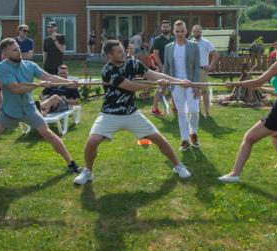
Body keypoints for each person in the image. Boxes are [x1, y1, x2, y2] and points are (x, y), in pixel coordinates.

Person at [74, 39, 193, 185]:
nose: (123, 53)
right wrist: (155, 84)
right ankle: (88, 172)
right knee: (92, 141)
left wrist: (179, 82)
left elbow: (153, 75)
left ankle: (178, 166)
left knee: (158, 138)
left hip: (131, 113)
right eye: (119, 52)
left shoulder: (133, 63)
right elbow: (131, 86)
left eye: (123, 50)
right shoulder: (107, 70)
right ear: (110, 55)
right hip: (109, 113)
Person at [0, 40, 81, 180]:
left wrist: (69, 83)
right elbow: (15, 88)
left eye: (18, 48)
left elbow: (49, 76)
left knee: (48, 134)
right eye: (14, 50)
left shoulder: (30, 65)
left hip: (29, 109)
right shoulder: (1, 67)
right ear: (5, 53)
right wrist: (38, 85)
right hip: (8, 111)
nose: (19, 51)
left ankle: (71, 163)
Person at [219, 38, 277, 183]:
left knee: (248, 138)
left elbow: (258, 81)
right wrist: (263, 89)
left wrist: (234, 83)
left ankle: (235, 174)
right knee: (275, 134)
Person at [164, 20, 202, 151]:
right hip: (176, 85)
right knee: (181, 113)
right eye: (177, 31)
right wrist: (164, 84)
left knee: (194, 110)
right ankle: (185, 139)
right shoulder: (168, 47)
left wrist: (197, 86)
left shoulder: (194, 46)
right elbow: (166, 67)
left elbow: (197, 67)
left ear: (186, 31)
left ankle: (193, 132)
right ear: (173, 32)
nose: (180, 34)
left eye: (182, 31)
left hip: (191, 84)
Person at [191, 24, 219, 117]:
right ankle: (197, 111)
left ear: (201, 32)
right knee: (195, 91)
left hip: (202, 70)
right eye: (194, 31)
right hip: (192, 70)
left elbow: (216, 54)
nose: (195, 33)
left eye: (197, 31)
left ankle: (206, 112)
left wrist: (211, 66)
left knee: (204, 92)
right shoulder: (190, 42)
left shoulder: (206, 42)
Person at [150, 20, 174, 116]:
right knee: (160, 87)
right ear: (161, 28)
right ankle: (154, 109)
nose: (165, 28)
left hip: (173, 68)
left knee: (175, 87)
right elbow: (155, 54)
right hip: (163, 67)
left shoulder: (173, 39)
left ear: (170, 28)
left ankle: (175, 107)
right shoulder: (157, 40)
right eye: (163, 26)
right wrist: (161, 66)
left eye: (166, 26)